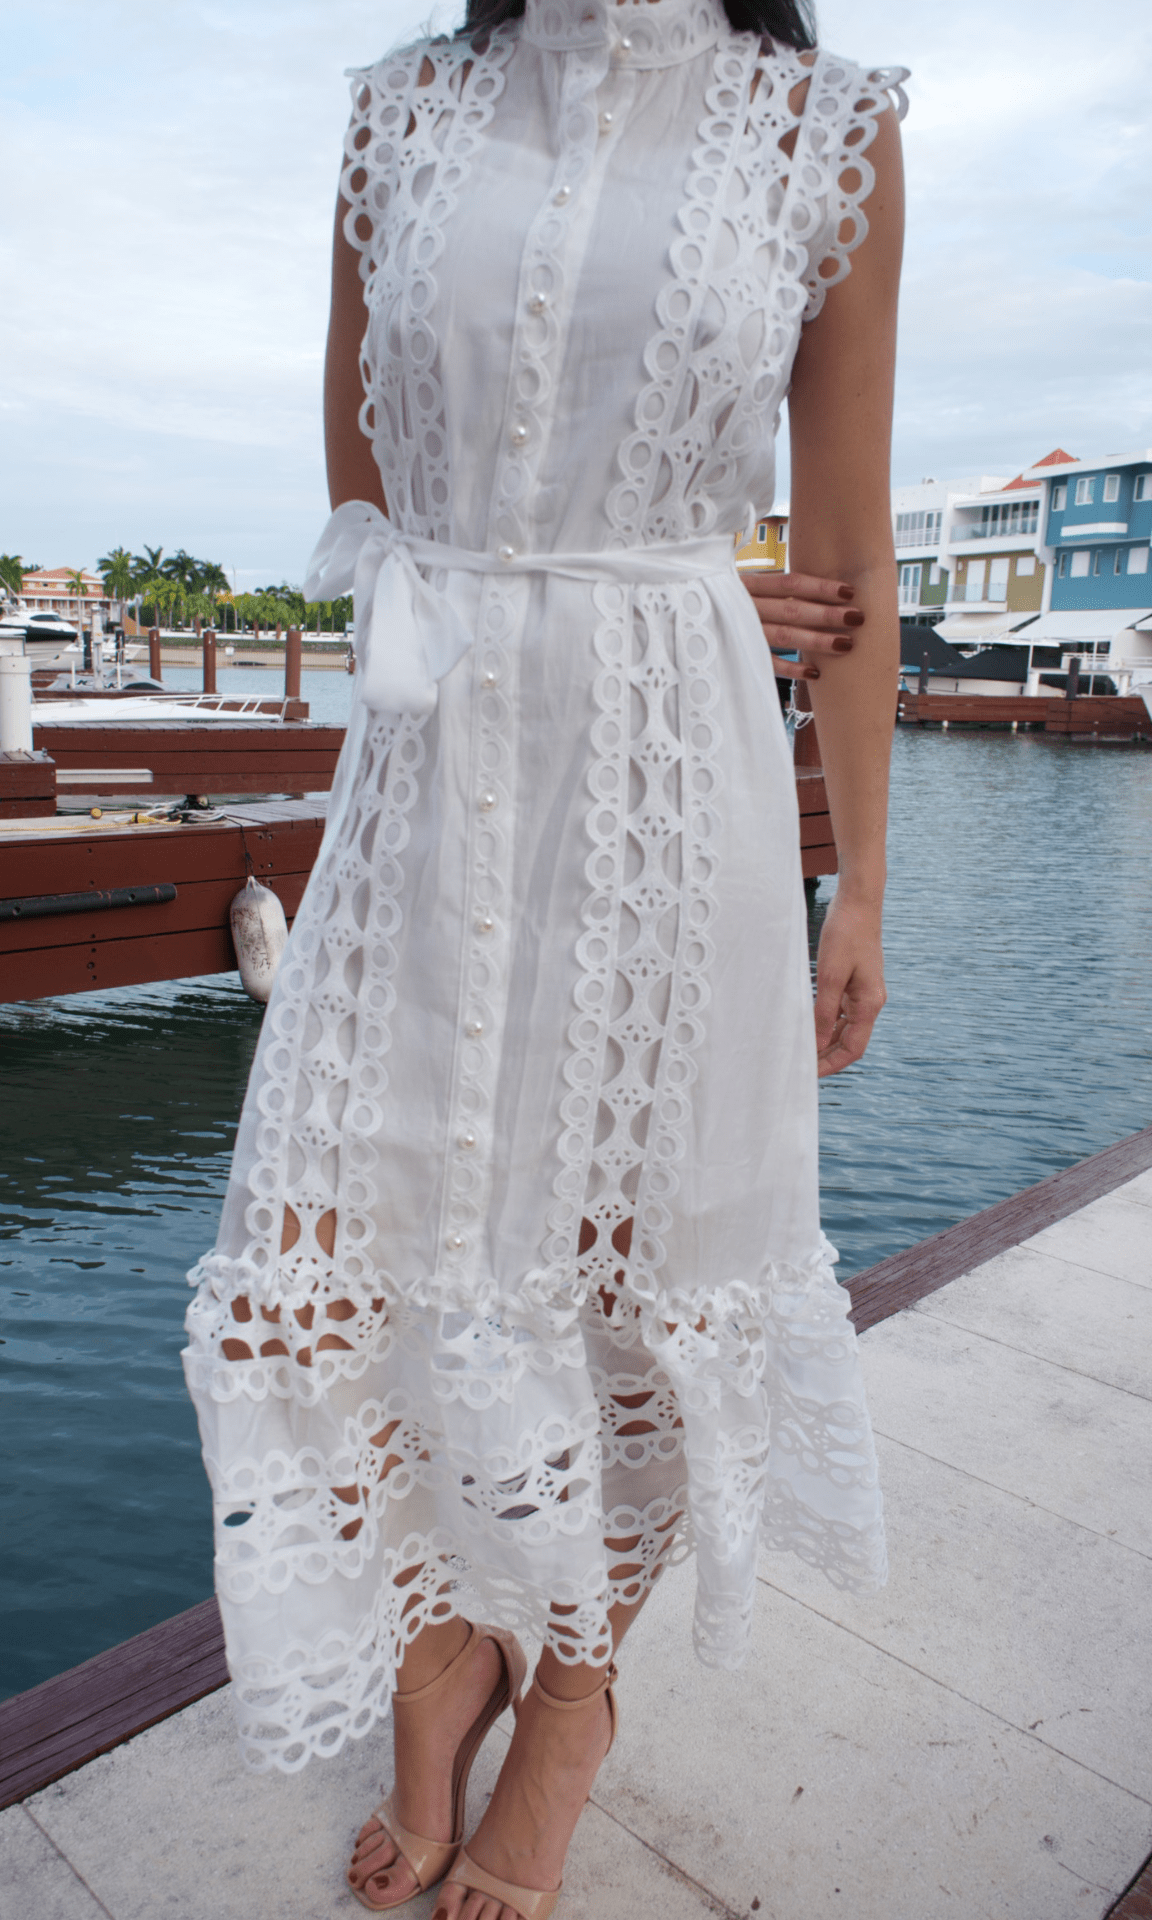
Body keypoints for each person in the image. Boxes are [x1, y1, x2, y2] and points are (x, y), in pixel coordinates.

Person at [183, 1, 905, 1914]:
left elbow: (847, 531)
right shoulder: (398, 113)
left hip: (679, 769)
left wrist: (866, 883)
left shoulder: (816, 128)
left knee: (640, 1262)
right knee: (337, 1240)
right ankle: (442, 1644)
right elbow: (364, 481)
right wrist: (585, 556)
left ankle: (573, 1702)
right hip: (434, 765)